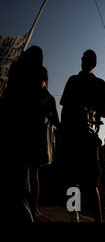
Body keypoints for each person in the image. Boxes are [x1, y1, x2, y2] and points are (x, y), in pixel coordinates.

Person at [59, 50, 105, 222]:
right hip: (71, 135)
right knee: (72, 180)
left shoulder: (99, 83)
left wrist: (95, 109)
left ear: (93, 62)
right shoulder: (72, 80)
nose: (85, 61)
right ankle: (73, 215)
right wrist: (62, 131)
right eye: (84, 58)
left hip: (89, 137)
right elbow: (65, 108)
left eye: (88, 59)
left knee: (91, 183)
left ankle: (98, 220)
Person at [1, 45, 44, 222]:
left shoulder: (14, 86)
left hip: (16, 137)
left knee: (19, 184)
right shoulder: (34, 89)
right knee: (21, 184)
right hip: (24, 139)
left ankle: (29, 212)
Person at [29, 66, 60, 219]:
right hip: (28, 137)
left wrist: (45, 113)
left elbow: (57, 121)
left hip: (39, 140)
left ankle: (34, 208)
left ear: (45, 80)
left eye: (39, 79)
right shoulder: (30, 96)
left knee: (34, 173)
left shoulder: (49, 99)